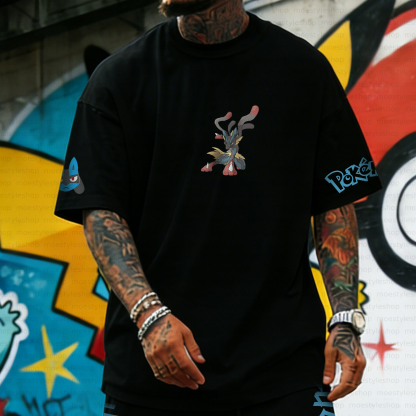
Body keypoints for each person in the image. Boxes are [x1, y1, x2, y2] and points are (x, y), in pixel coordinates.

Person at [54, 0, 383, 414]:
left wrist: (345, 319)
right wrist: (149, 315)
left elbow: (334, 205)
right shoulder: (119, 80)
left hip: (284, 375)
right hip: (155, 375)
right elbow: (101, 214)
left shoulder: (303, 71)